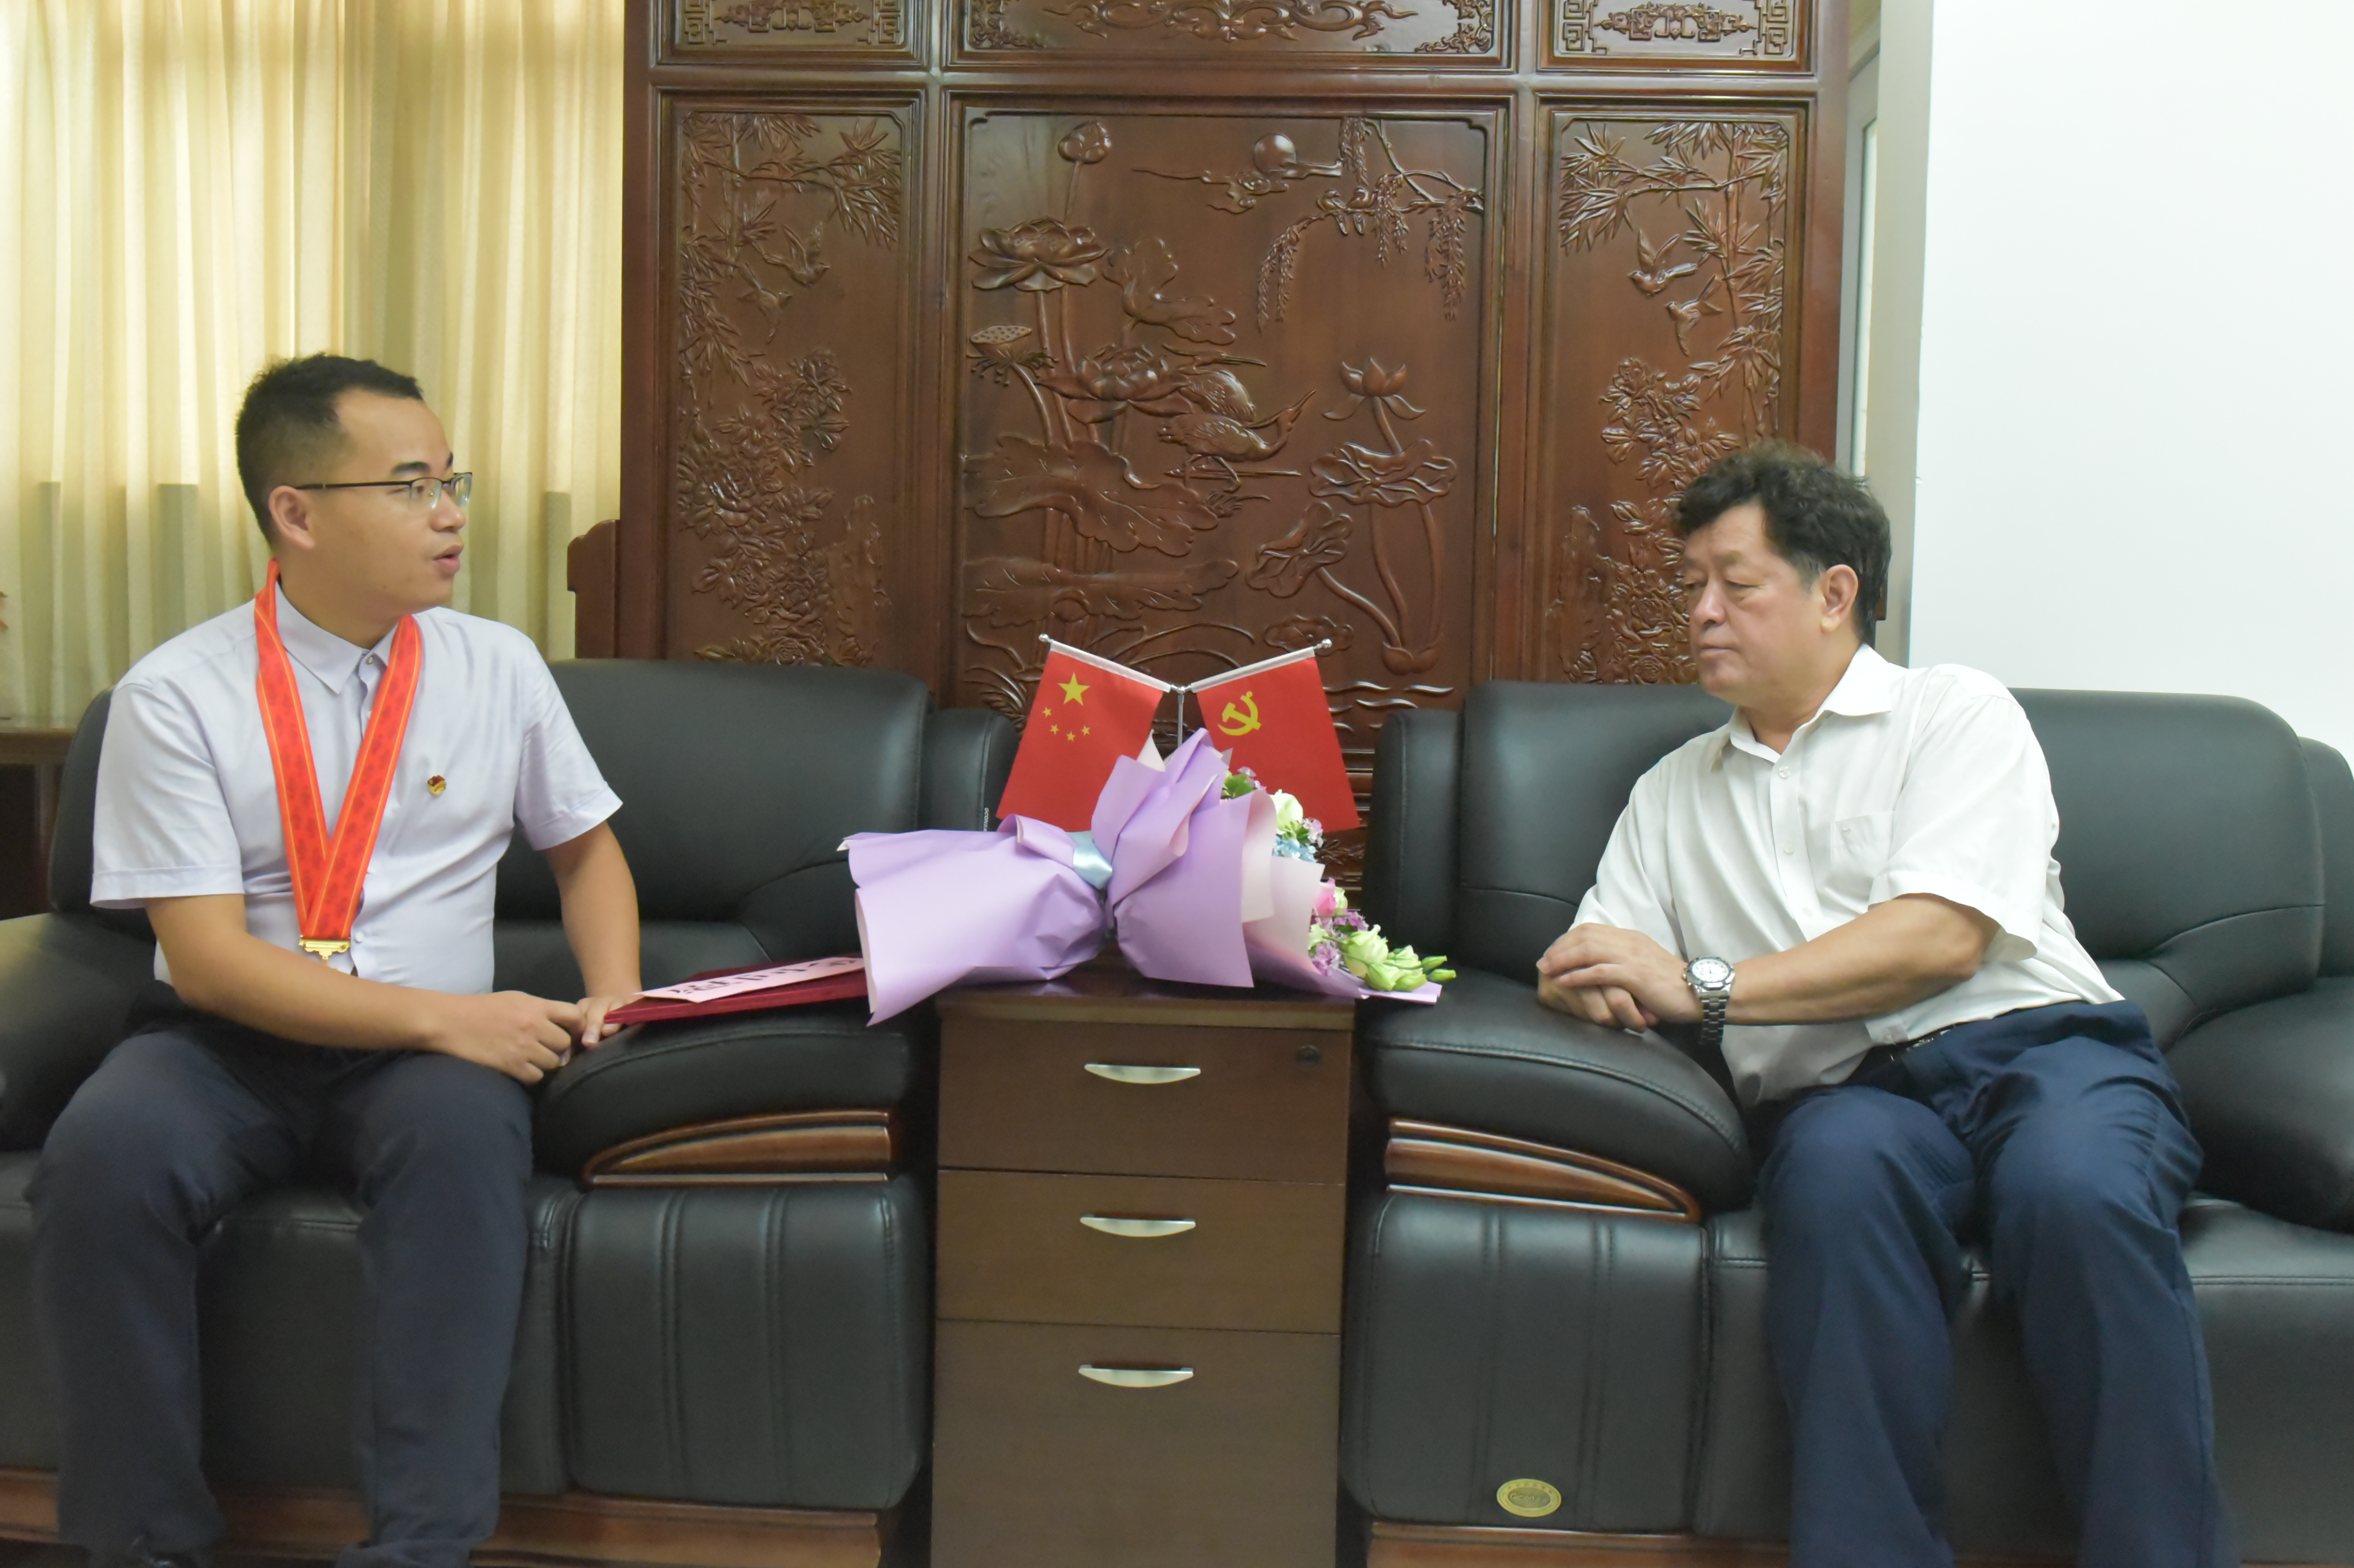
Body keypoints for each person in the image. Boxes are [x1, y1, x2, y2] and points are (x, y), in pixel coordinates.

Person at [1534, 442, 2231, 1568]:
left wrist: (1703, 986)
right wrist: (1586, 983)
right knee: (1832, 1182)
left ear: (1833, 594)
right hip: (1844, 1098)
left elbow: (1938, 940)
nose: (1700, 612)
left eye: (1735, 584)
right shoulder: (1669, 794)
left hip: (2039, 1056)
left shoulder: (1952, 716)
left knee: (2073, 1192)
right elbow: (1593, 959)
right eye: (1692, 586)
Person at [29, 354, 643, 1568]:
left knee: (464, 1156)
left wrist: (617, 989)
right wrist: (449, 1019)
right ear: (296, 513)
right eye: (411, 486)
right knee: (102, 1159)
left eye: (453, 480)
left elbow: (587, 853)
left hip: (427, 1066)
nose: (451, 514)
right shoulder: (176, 697)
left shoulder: (497, 666)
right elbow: (208, 963)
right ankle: (144, 1543)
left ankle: (420, 1548)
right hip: (227, 1046)